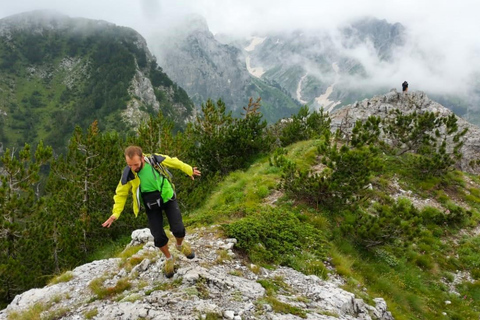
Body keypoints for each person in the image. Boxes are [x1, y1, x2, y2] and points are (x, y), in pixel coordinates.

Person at [102, 146, 201, 278]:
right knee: (158, 237)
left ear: (142, 158)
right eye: (129, 165)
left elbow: (174, 161)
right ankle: (169, 258)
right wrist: (115, 214)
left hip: (167, 197)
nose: (133, 167)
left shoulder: (154, 160)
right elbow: (120, 194)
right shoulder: (129, 175)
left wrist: (189, 170)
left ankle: (179, 245)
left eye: (135, 164)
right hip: (151, 205)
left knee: (178, 229)